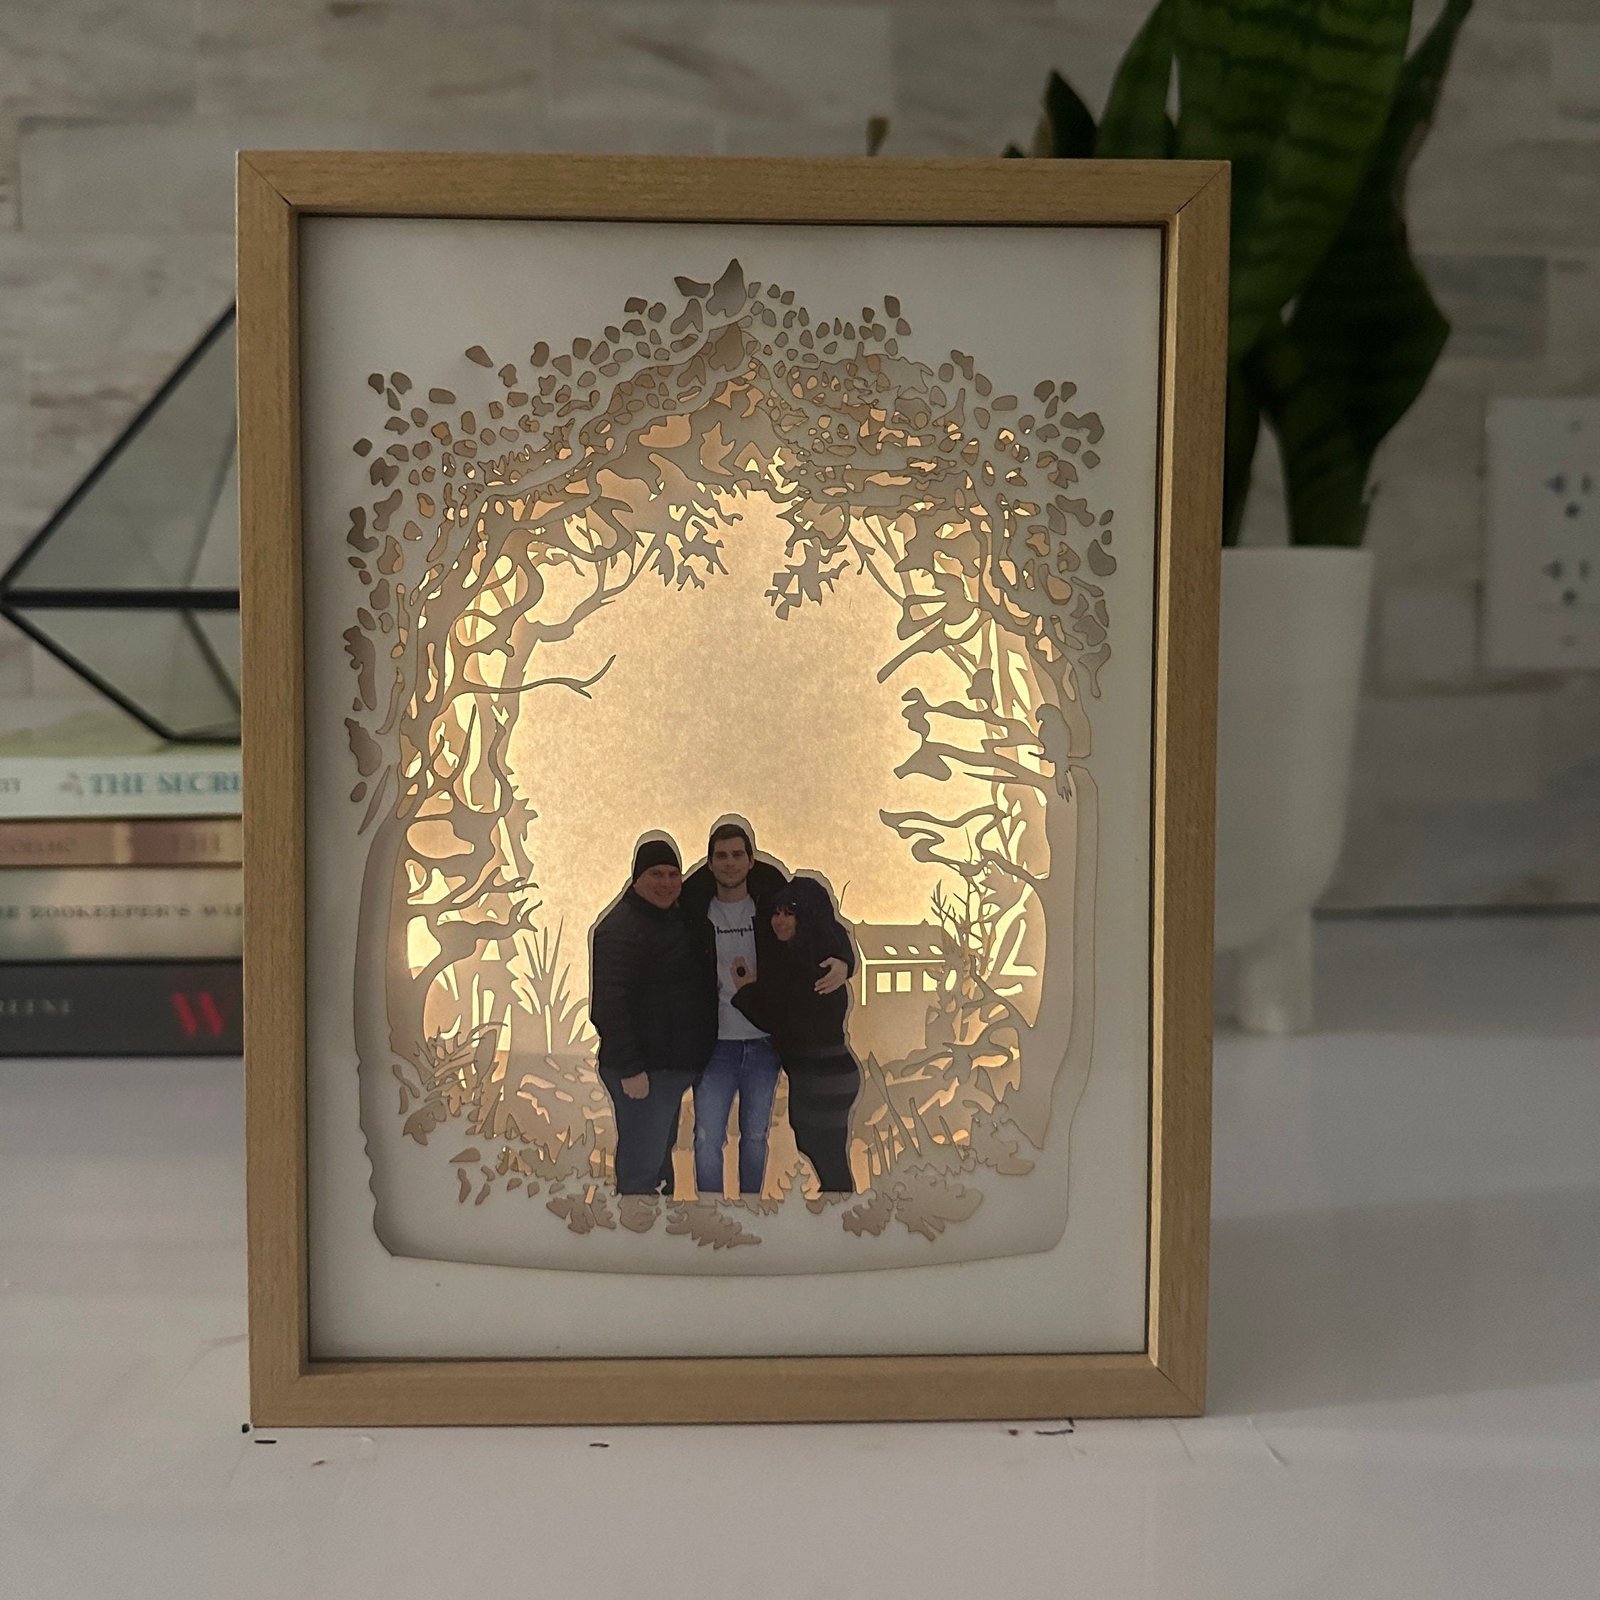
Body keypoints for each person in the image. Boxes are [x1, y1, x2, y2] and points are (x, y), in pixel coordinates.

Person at [678, 820, 852, 1198]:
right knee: (707, 1136)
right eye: (721, 856)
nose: (729, 863)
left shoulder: (772, 902)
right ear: (709, 862)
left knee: (756, 1136)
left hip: (763, 1043)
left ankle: (751, 1212)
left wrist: (845, 959)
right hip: (714, 1042)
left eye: (737, 854)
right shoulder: (692, 907)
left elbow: (820, 919)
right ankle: (710, 1213)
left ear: (751, 859)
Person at [588, 837, 715, 1196]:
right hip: (642, 1072)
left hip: (666, 1068)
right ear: (637, 878)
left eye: (674, 874)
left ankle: (656, 1225)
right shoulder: (620, 928)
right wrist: (631, 1069)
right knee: (641, 1169)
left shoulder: (672, 919)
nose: (666, 883)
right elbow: (610, 1005)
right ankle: (636, 1227)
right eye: (656, 874)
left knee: (657, 1162)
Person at [731, 874, 862, 1194]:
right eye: (776, 913)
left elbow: (781, 1020)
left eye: (789, 913)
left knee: (824, 1151)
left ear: (806, 916)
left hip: (824, 1075)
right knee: (818, 1146)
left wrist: (745, 992)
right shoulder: (812, 953)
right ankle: (840, 1207)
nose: (779, 920)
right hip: (822, 1074)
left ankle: (842, 1211)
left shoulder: (813, 964)